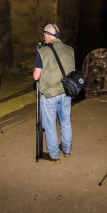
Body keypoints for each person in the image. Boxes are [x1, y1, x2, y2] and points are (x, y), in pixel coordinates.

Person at [33, 24, 75, 164]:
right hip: (66, 92)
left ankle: (55, 155)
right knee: (65, 122)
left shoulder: (43, 51)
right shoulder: (70, 50)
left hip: (50, 94)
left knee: (50, 125)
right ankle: (67, 150)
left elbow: (36, 76)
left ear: (47, 34)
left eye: (44, 34)